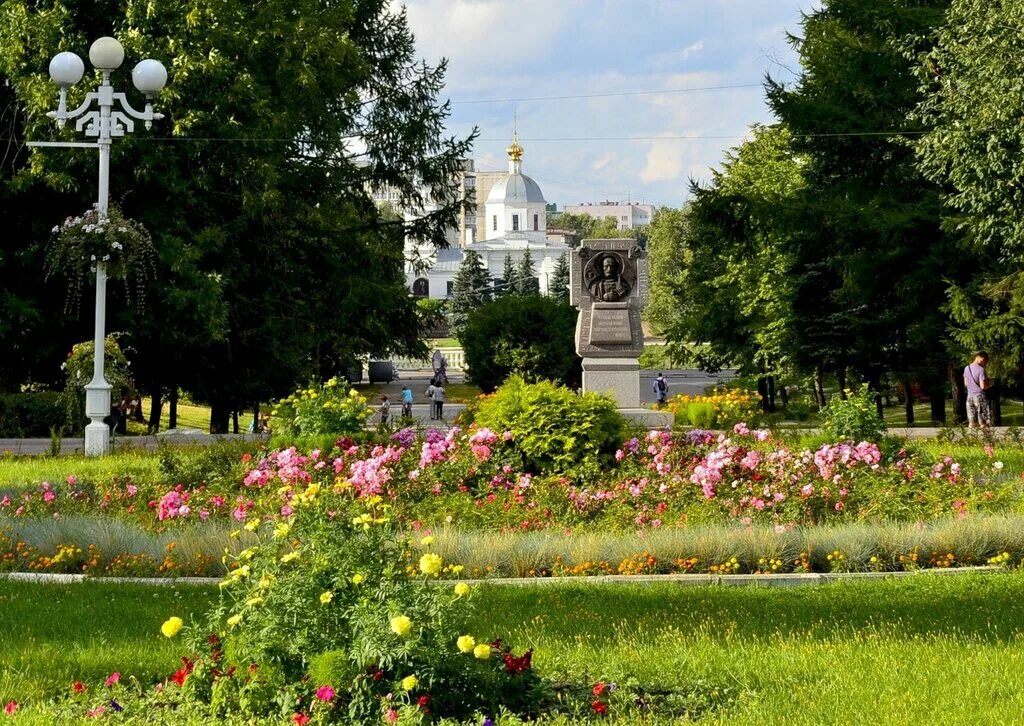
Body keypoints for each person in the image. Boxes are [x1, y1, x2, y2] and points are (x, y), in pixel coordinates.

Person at [964, 351, 992, 429]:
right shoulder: (981, 370)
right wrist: (989, 384)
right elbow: (983, 386)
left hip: (969, 397)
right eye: (985, 362)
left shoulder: (967, 368)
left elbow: (966, 383)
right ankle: (987, 439)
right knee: (983, 423)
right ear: (982, 359)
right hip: (979, 397)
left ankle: (971, 440)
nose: (985, 365)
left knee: (971, 423)